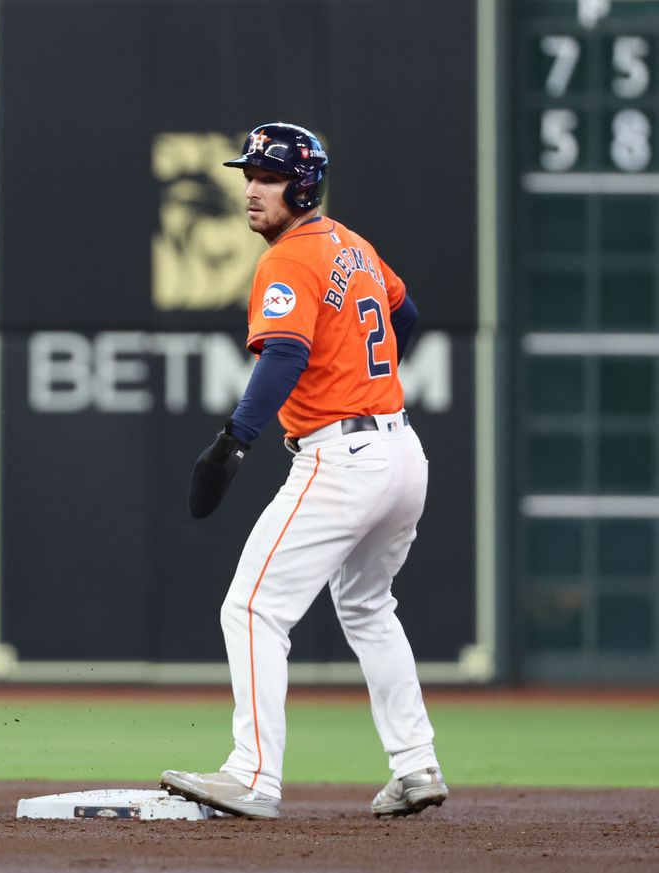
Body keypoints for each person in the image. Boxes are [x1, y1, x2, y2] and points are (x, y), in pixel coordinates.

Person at [160, 123, 446, 820]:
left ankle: (253, 773)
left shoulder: (289, 258)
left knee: (252, 607)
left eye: (268, 176)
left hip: (343, 456)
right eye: (249, 174)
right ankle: (416, 764)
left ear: (304, 184)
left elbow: (283, 355)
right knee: (369, 607)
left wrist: (236, 440)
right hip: (401, 451)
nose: (252, 189)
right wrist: (361, 379)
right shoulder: (352, 245)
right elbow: (405, 314)